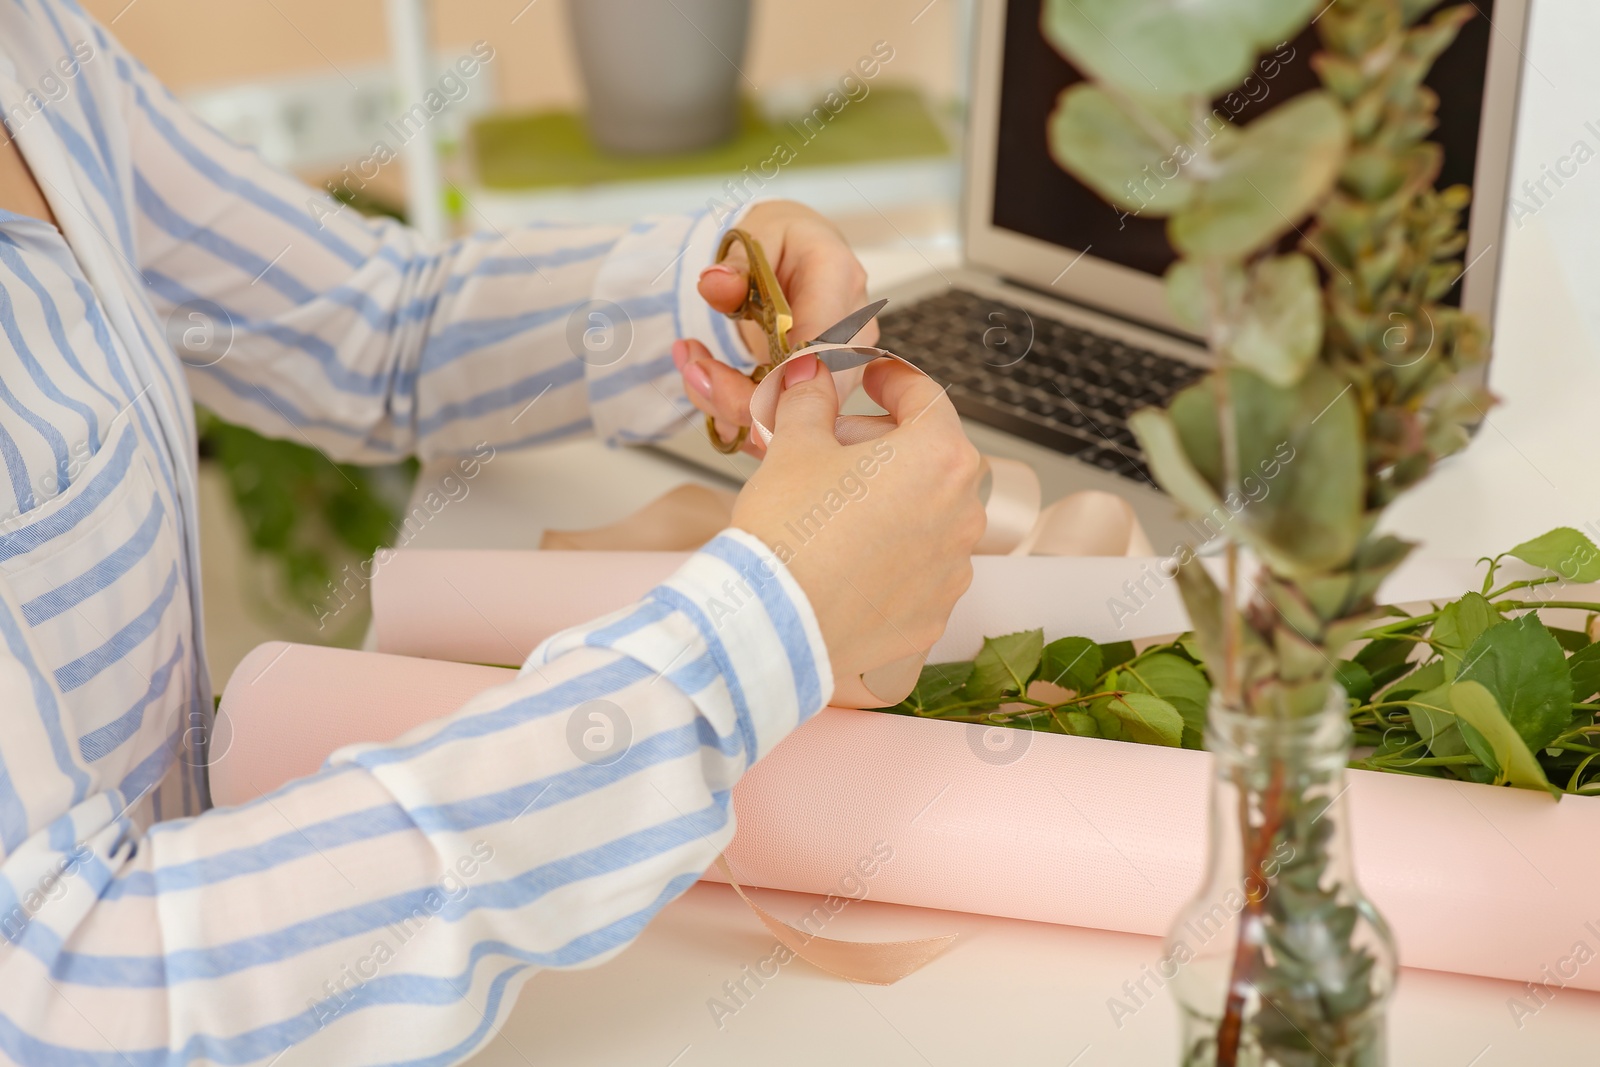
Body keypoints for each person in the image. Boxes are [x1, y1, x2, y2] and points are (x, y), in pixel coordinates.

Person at [0, 1, 983, 1063]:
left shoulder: (35, 49)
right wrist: (751, 638)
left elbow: (375, 323)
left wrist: (708, 294)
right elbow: (69, 991)